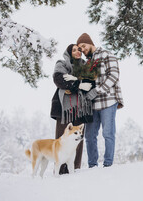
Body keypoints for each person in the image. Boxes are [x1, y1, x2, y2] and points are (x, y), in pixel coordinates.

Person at [77, 33, 124, 168]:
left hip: (108, 100)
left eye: (84, 46)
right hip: (92, 105)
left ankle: (108, 164)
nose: (83, 50)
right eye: (80, 48)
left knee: (108, 133)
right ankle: (92, 165)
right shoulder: (86, 63)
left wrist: (97, 90)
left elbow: (114, 75)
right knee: (89, 136)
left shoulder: (107, 54)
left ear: (90, 43)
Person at [50, 44, 93, 174]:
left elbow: (90, 84)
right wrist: (80, 85)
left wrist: (74, 83)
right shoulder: (61, 64)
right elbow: (59, 80)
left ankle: (74, 169)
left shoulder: (86, 66)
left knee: (78, 139)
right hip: (64, 109)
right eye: (74, 50)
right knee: (62, 139)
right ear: (69, 53)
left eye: (79, 49)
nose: (77, 52)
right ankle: (59, 169)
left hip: (81, 109)